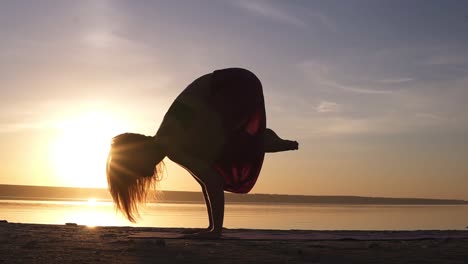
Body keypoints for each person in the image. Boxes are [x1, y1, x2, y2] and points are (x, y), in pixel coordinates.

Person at [106, 68, 298, 239]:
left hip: (231, 85)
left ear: (138, 154)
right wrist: (211, 226)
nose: (139, 176)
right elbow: (203, 180)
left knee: (221, 156)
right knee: (219, 154)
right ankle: (266, 140)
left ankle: (264, 140)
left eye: (133, 171)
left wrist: (215, 231)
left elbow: (212, 181)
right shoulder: (169, 138)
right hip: (236, 82)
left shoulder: (171, 144)